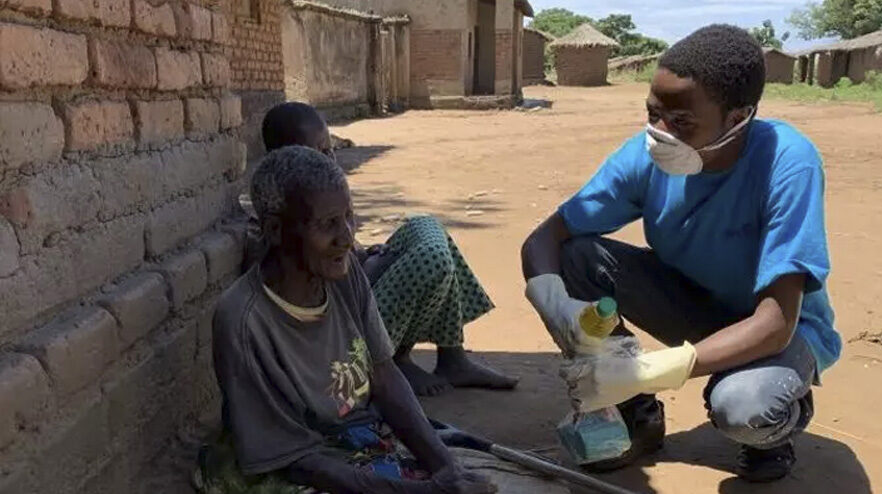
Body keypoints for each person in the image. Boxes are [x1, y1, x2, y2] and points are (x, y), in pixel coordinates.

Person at [521, 25, 841, 482]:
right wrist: (556, 306)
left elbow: (775, 322)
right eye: (653, 113)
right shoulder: (644, 157)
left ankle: (776, 426)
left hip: (774, 330)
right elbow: (546, 238)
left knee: (744, 407)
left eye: (682, 122)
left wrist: (648, 368)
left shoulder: (787, 162)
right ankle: (636, 413)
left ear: (738, 117)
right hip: (694, 304)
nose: (660, 132)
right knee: (575, 257)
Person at [210, 145, 497, 494]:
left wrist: (446, 467)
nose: (347, 238)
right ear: (274, 230)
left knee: (474, 468)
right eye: (328, 224)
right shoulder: (242, 321)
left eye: (349, 216)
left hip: (354, 435)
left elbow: (383, 374)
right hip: (296, 460)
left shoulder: (343, 276)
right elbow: (297, 460)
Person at [249, 102, 518, 396]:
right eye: (319, 152)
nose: (330, 160)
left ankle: (452, 356)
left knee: (427, 228)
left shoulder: (322, 192)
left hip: (362, 283)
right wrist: (372, 264)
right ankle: (394, 358)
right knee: (430, 259)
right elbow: (331, 284)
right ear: (286, 158)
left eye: (330, 150)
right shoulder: (279, 219)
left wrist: (366, 254)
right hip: (349, 325)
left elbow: (344, 250)